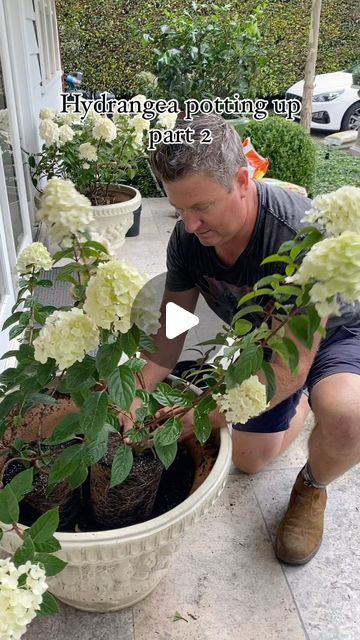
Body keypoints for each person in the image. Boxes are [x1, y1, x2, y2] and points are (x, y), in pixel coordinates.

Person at [122, 115, 360, 566]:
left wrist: (197, 417)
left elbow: (287, 368)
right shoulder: (187, 241)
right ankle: (303, 402)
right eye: (179, 210)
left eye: (202, 208)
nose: (189, 225)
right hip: (267, 339)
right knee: (248, 460)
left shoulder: (297, 237)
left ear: (241, 180)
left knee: (348, 414)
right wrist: (139, 383)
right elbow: (174, 323)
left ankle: (313, 485)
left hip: (339, 332)